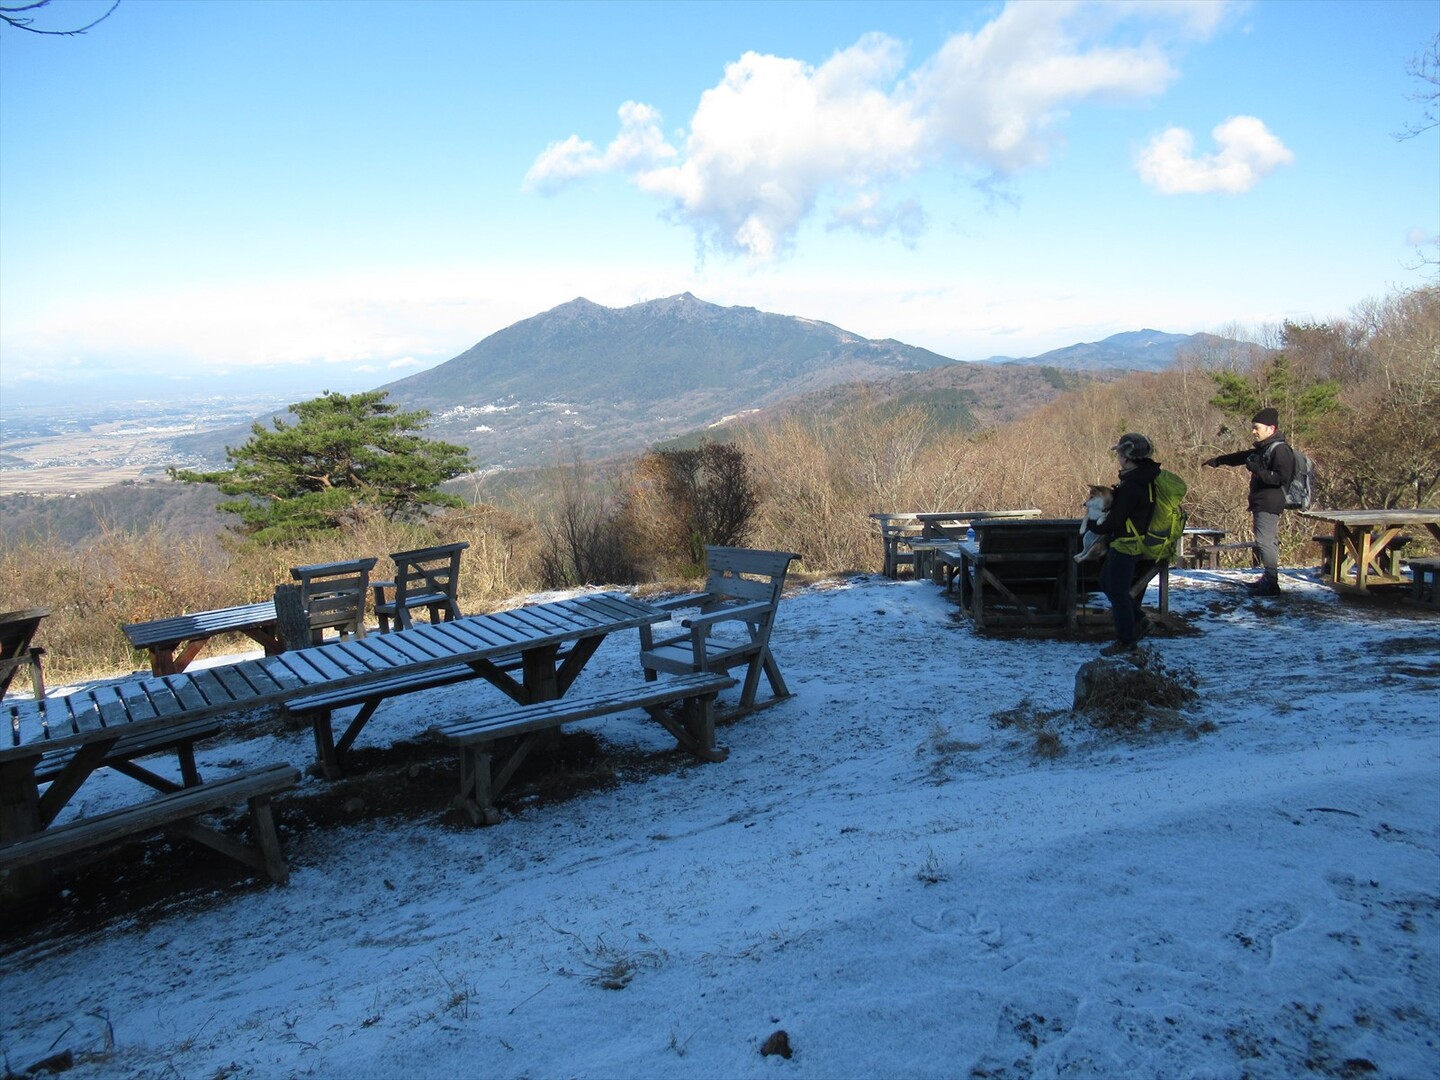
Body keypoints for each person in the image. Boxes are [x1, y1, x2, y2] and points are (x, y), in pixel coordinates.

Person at [1203, 407, 1295, 597]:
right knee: (1267, 541)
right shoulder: (1266, 448)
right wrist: (1218, 461)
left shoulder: (1280, 450)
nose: (1254, 431)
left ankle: (1271, 583)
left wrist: (1256, 470)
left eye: (1257, 427)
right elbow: (1241, 457)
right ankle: (1268, 579)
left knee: (1264, 542)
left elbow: (1282, 478)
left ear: (1271, 428)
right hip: (1262, 501)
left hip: (1270, 502)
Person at [1094, 432, 1160, 656]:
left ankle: (1126, 640)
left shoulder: (1132, 486)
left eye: (1120, 453)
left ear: (1128, 457)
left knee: (1118, 591)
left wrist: (1094, 524)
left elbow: (1114, 520)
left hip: (1126, 543)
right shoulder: (1145, 479)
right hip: (1133, 541)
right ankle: (1140, 620)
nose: (1118, 457)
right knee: (1106, 582)